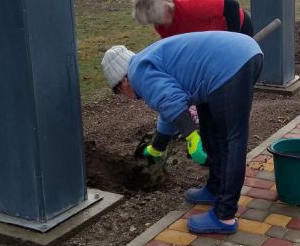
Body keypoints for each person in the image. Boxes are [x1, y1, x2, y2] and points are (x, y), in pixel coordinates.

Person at [101, 32, 263, 234]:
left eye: (118, 93)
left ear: (122, 82)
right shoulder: (145, 62)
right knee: (212, 130)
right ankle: (215, 188)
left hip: (229, 66)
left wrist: (192, 137)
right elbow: (169, 109)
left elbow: (171, 102)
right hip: (236, 57)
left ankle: (225, 215)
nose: (125, 97)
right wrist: (157, 147)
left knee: (232, 139)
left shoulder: (138, 74)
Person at [132, 0, 254, 38]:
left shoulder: (191, 5)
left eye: (165, 14)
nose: (160, 25)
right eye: (156, 21)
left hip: (238, 27)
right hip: (212, 38)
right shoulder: (161, 26)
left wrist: (233, 41)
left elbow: (232, 6)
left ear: (167, 3)